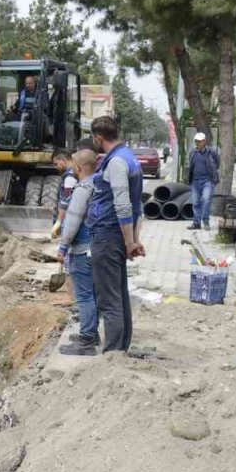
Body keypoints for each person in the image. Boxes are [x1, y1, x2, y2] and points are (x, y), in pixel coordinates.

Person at [85, 115, 144, 353]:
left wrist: (131, 242)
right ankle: (120, 349)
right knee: (118, 295)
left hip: (107, 236)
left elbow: (123, 206)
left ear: (98, 138)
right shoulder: (127, 158)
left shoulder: (117, 163)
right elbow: (137, 203)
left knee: (109, 300)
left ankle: (112, 354)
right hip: (115, 236)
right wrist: (133, 239)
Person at [56, 149, 99, 356]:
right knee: (93, 293)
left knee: (84, 296)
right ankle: (92, 332)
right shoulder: (99, 184)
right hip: (96, 247)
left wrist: (63, 247)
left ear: (79, 167)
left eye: (73, 165)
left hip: (82, 249)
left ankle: (87, 341)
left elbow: (72, 220)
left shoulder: (82, 189)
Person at [186, 132, 220, 231]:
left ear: (204, 141)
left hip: (207, 181)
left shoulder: (211, 152)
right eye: (196, 141)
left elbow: (218, 162)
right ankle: (196, 223)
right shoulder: (192, 152)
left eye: (200, 141)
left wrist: (213, 175)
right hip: (195, 181)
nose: (198, 143)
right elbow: (190, 166)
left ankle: (206, 222)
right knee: (196, 202)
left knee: (206, 200)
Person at [50, 149, 77, 239]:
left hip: (71, 218)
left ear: (63, 161)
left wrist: (58, 222)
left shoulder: (70, 177)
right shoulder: (77, 172)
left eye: (56, 164)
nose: (55, 167)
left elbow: (65, 201)